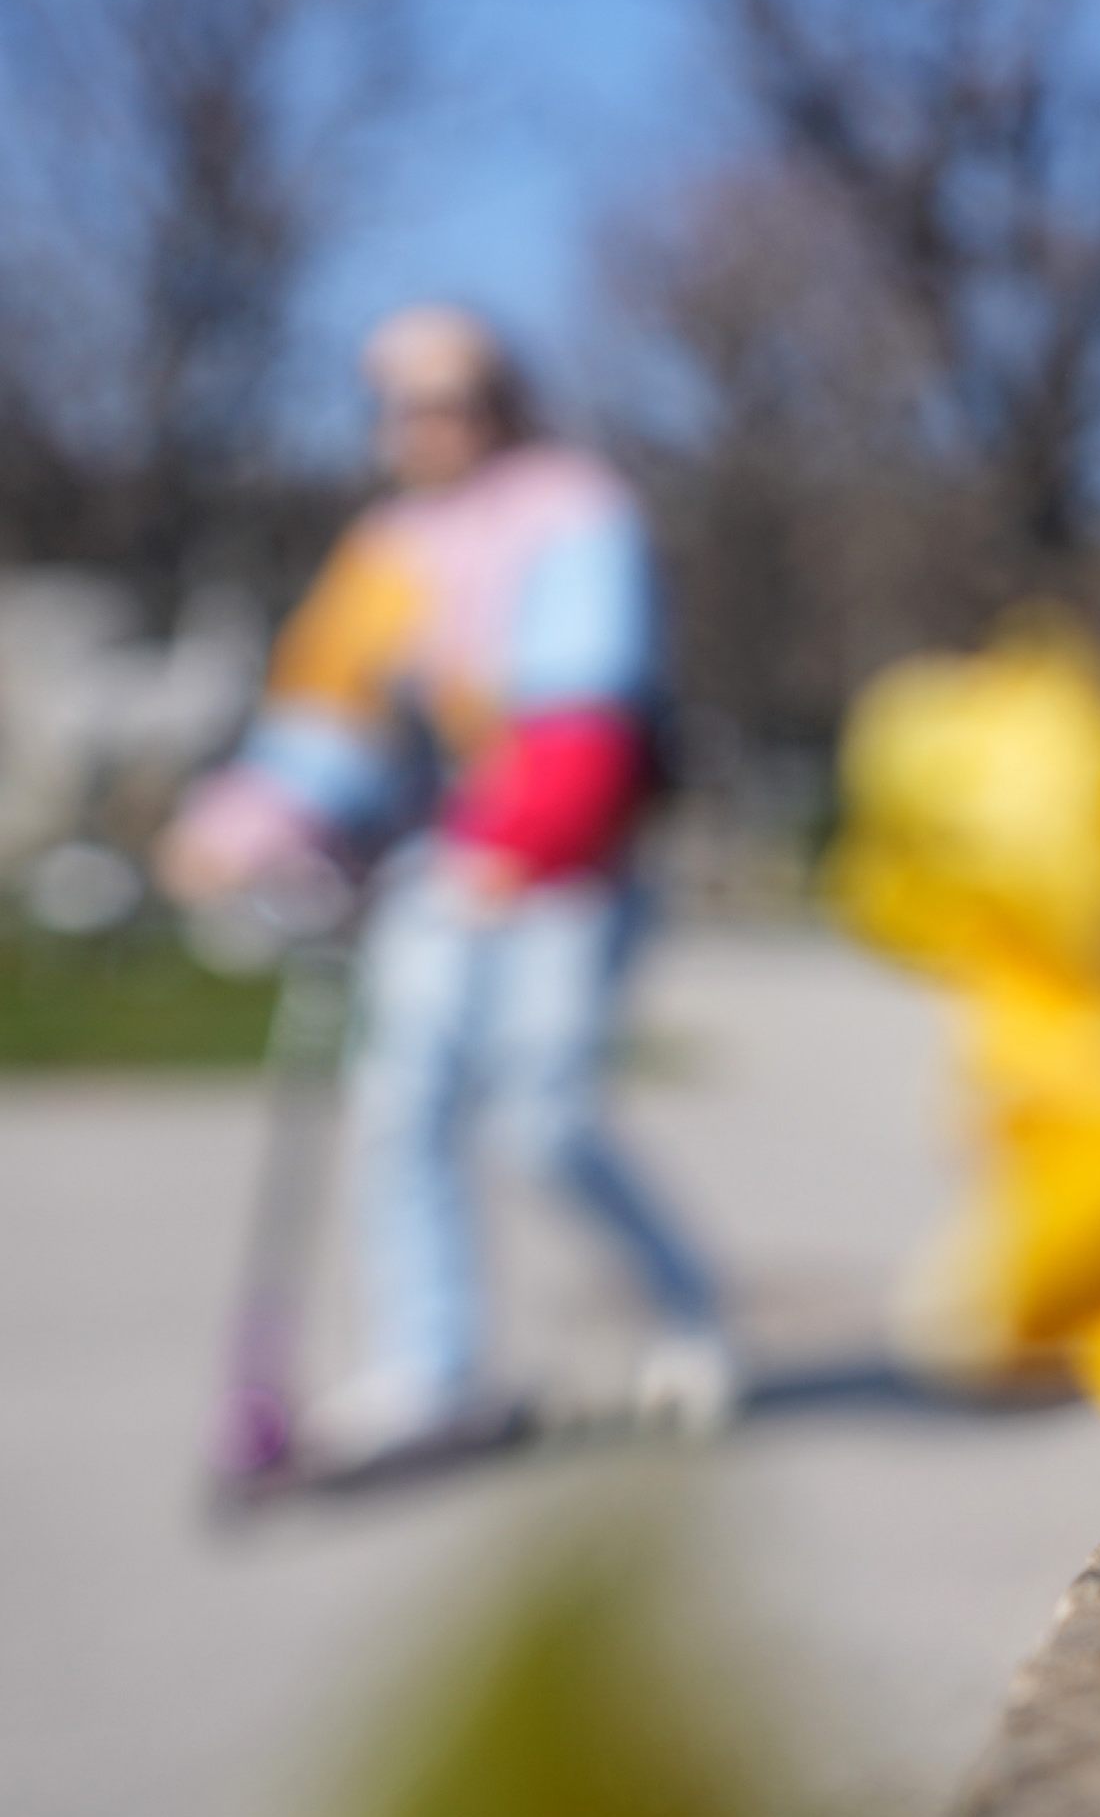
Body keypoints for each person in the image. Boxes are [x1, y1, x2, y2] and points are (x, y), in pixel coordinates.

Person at [160, 306, 734, 1464]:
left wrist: (521, 839)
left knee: (542, 1120)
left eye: (447, 400)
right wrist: (239, 825)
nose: (420, 426)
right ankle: (434, 1371)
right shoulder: (390, 547)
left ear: (500, 403)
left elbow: (588, 706)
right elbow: (325, 716)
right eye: (398, 403)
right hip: (444, 857)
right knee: (401, 1105)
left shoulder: (574, 510)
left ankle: (689, 1309)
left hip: (574, 861)